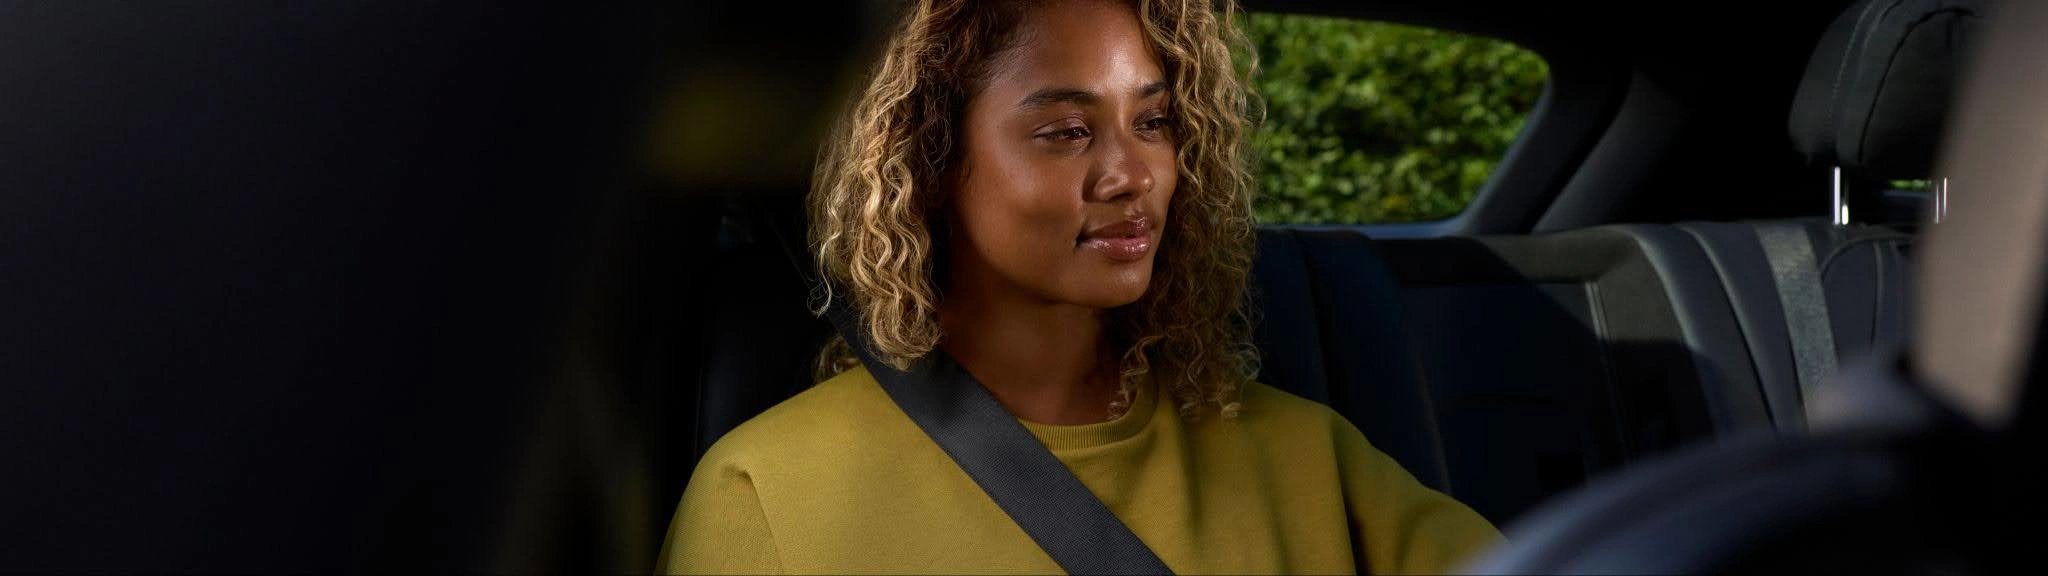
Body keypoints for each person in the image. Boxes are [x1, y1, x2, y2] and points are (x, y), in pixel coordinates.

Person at [659, 0, 1500, 572]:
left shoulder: (1310, 456)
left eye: (1155, 122)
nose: (1133, 175)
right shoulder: (765, 491)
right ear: (931, 161)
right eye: (1065, 131)